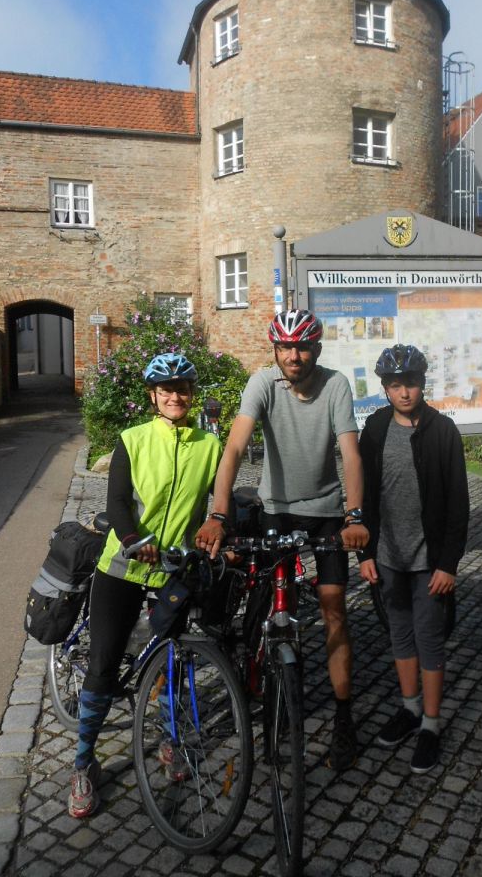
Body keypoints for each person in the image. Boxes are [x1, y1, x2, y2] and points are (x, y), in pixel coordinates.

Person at [196, 309, 370, 771]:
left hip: (329, 512)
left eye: (303, 346)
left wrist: (354, 515)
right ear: (275, 349)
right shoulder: (262, 383)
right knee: (278, 606)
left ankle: (344, 717)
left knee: (334, 607)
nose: (295, 355)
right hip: (277, 508)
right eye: (286, 347)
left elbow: (350, 452)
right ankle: (269, 686)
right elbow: (234, 447)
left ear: (317, 347)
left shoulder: (334, 385)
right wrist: (218, 514)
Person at [68, 353, 222, 818]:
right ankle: (82, 764)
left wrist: (219, 533)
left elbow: (216, 506)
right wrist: (135, 539)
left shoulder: (210, 446)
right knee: (104, 663)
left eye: (183, 389)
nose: (176, 396)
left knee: (177, 660)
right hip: (124, 565)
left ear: (191, 395)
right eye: (166, 390)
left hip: (174, 569)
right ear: (153, 397)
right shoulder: (132, 440)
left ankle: (171, 739)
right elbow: (116, 503)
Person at [358, 344, 469, 774]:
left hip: (429, 560)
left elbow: (459, 504)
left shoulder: (442, 431)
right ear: (385, 389)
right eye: (395, 385)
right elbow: (366, 495)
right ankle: (408, 707)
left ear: (424, 383)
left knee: (430, 639)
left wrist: (449, 564)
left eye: (412, 383)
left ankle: (431, 723)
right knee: (399, 634)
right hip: (388, 555)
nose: (404, 392)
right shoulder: (375, 427)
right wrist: (365, 553)